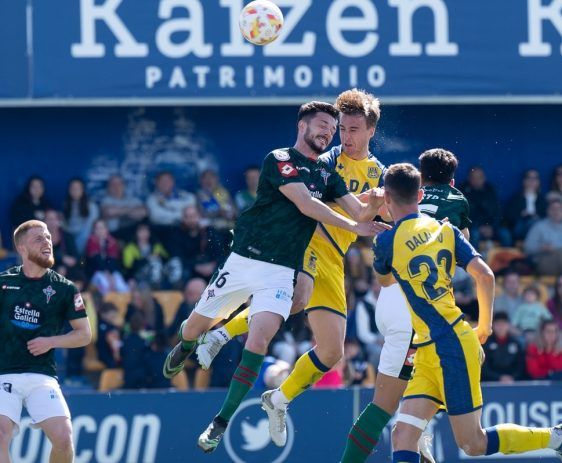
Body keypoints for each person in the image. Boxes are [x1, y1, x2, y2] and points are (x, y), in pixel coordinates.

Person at [161, 100, 388, 454]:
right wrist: (360, 217)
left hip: (332, 259)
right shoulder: (323, 159)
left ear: (371, 131)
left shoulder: (378, 172)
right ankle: (216, 334)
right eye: (340, 128)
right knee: (294, 300)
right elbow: (316, 206)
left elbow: (367, 212)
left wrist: (380, 202)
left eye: (351, 130)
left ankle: (278, 399)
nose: (343, 136)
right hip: (304, 247)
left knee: (331, 351)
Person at [374, 163, 562, 462]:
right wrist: (483, 328)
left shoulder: (386, 241)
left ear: (387, 200)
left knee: (472, 443)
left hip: (448, 345)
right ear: (420, 195)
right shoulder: (447, 229)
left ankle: (557, 437)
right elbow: (485, 276)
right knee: (403, 435)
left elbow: (385, 279)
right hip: (435, 344)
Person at [341, 147, 471, 463]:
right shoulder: (457, 203)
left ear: (420, 180)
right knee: (387, 405)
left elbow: (364, 218)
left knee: (410, 391)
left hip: (389, 302)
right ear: (452, 181)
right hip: (415, 312)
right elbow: (462, 255)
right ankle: (418, 431)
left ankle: (418, 430)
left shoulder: (400, 198)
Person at [0, 220, 92, 463]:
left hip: (42, 375)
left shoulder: (65, 289)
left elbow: (84, 334)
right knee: (0, 435)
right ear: (21, 248)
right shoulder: (3, 283)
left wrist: (51, 341)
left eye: (49, 237)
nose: (47, 242)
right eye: (38, 239)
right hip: (3, 374)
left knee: (64, 439)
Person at [461, 166, 512, 247]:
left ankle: (505, 258)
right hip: (474, 227)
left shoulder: (490, 190)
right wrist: (479, 227)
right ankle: (474, 259)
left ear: (484, 178)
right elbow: (463, 215)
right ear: (469, 178)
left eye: (479, 177)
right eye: (473, 177)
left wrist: (492, 227)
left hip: (492, 227)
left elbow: (498, 212)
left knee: (505, 234)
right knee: (474, 235)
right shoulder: (462, 191)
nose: (476, 181)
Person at [84, 220, 129, 294]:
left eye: (102, 228)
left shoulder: (112, 242)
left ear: (106, 229)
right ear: (94, 231)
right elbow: (97, 262)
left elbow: (113, 262)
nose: (100, 231)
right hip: (96, 273)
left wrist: (111, 276)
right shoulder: (91, 241)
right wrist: (108, 275)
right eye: (97, 228)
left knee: (122, 287)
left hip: (111, 272)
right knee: (105, 285)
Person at [482, 312, 526, 383]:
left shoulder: (516, 343)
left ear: (508, 325)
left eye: (503, 324)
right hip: (491, 383)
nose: (501, 327)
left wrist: (513, 377)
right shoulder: (485, 343)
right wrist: (499, 378)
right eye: (498, 324)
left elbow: (521, 365)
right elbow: (484, 367)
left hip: (513, 382)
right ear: (492, 325)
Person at [100, 174, 148, 239]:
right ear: (108, 187)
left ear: (124, 185)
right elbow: (109, 212)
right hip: (115, 235)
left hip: (135, 235)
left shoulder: (133, 200)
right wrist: (132, 210)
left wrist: (119, 211)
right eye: (113, 184)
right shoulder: (106, 200)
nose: (116, 186)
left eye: (119, 184)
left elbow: (144, 212)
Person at [506, 169, 547, 241]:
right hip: (520, 227)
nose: (532, 181)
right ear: (524, 181)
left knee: (535, 223)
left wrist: (536, 216)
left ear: (538, 182)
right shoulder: (516, 198)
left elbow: (546, 216)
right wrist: (521, 214)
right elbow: (509, 217)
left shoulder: (542, 199)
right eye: (529, 178)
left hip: (537, 227)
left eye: (535, 178)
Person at [63, 178, 100, 253]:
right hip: (70, 242)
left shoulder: (91, 206)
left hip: (87, 244)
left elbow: (89, 229)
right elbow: (66, 228)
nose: (75, 191)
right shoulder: (66, 205)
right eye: (72, 188)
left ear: (83, 190)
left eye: (78, 188)